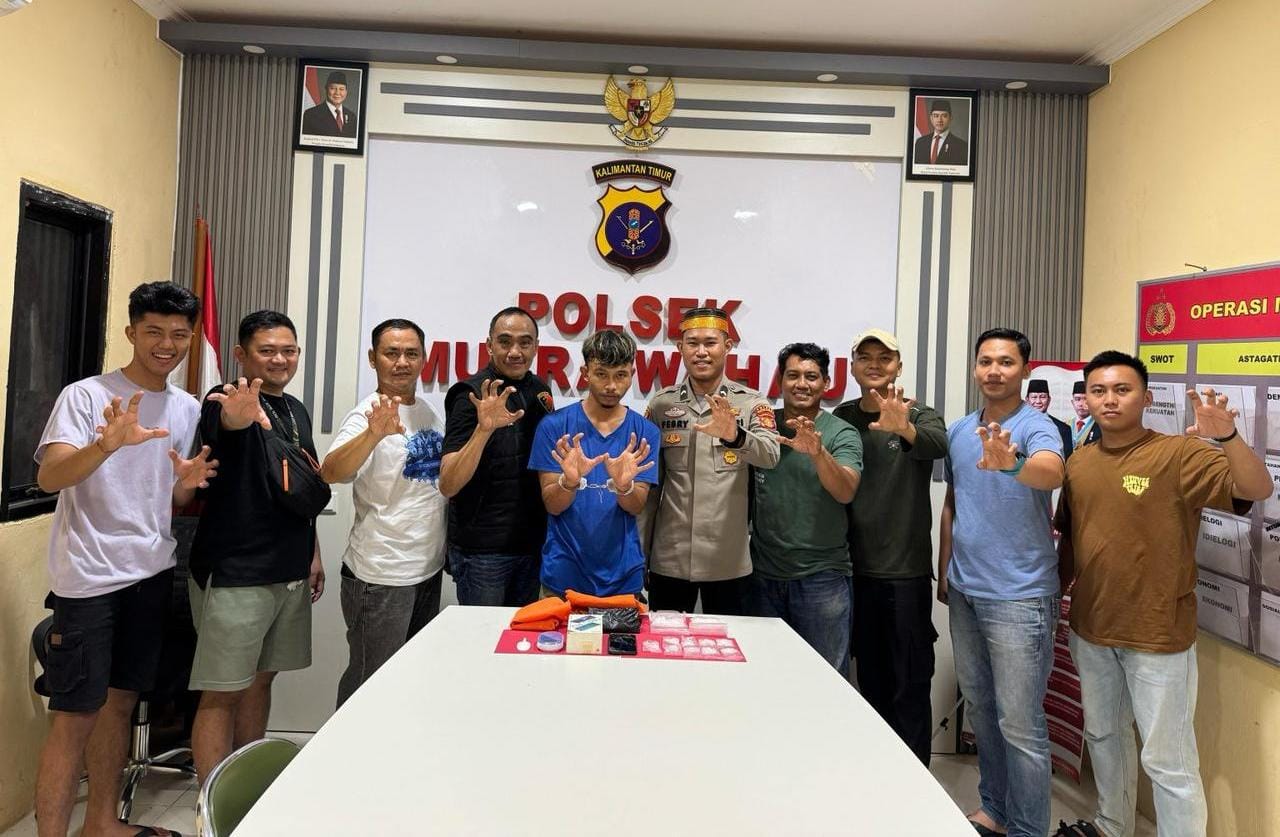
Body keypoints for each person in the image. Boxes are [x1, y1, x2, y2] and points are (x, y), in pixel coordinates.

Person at [1057, 352, 1271, 837]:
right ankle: (1111, 825)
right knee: (1104, 737)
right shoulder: (1079, 461)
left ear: (1147, 397)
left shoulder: (1179, 454)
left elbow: (1256, 488)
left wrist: (1228, 438)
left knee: (1167, 761)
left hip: (1157, 636)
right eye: (1098, 391)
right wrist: (1057, 601)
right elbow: (1071, 538)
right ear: (1086, 398)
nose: (1109, 400)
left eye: (1122, 389)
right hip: (1091, 629)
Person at [33, 282, 213, 837]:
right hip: (89, 578)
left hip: (151, 572)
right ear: (132, 332)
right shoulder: (87, 396)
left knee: (119, 703)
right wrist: (105, 445)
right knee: (75, 717)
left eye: (179, 334)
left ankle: (102, 824)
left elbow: (165, 497)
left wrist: (185, 486)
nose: (166, 345)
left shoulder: (186, 407)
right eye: (154, 332)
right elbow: (50, 477)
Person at [938, 327, 1065, 837]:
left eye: (1006, 362)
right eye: (986, 361)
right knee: (983, 710)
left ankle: (1029, 829)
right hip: (966, 590)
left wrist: (1012, 465)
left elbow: (1051, 472)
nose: (994, 370)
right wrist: (946, 569)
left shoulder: (1036, 426)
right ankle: (995, 808)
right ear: (975, 368)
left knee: (1020, 722)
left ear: (1024, 369)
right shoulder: (959, 429)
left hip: (1021, 597)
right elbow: (954, 503)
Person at [188, 310, 325, 782]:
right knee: (222, 692)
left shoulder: (296, 409)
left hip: (289, 569)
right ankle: (212, 802)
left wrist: (313, 553)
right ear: (241, 354)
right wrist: (237, 416)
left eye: (288, 350)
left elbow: (302, 487)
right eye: (267, 351)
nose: (279, 359)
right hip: (236, 573)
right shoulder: (224, 399)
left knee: (261, 682)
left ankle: (245, 788)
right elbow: (225, 423)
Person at [834, 328, 948, 764]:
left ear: (898, 366)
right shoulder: (842, 417)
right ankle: (880, 773)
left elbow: (938, 446)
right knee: (871, 683)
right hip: (853, 571)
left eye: (885, 357)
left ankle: (917, 779)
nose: (875, 365)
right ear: (853, 367)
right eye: (865, 357)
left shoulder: (919, 413)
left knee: (910, 684)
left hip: (905, 574)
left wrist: (906, 428)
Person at [321, 318, 446, 708]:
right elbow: (332, 471)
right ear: (373, 359)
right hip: (380, 575)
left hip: (426, 569)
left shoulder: (428, 412)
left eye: (411, 353)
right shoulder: (366, 415)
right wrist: (373, 433)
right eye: (391, 353)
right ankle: (346, 747)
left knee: (409, 680)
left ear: (423, 359)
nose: (402, 362)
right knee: (369, 683)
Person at [643, 307, 780, 615]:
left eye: (710, 343)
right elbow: (650, 489)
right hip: (671, 558)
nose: (701, 352)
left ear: (727, 346)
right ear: (680, 348)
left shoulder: (750, 403)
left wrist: (736, 436)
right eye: (692, 343)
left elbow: (771, 455)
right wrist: (640, 553)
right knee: (666, 642)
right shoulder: (662, 404)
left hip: (727, 561)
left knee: (730, 643)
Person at [747, 343, 861, 674]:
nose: (801, 384)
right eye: (793, 375)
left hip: (822, 579)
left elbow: (845, 491)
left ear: (826, 383)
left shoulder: (841, 432)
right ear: (780, 380)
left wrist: (818, 453)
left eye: (811, 376)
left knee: (826, 682)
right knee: (766, 677)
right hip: (763, 576)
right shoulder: (762, 426)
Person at [528, 330, 660, 598]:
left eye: (620, 375)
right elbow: (553, 505)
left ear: (632, 374)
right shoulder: (554, 427)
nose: (611, 386)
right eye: (601, 374)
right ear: (585, 372)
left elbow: (636, 506)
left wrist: (624, 487)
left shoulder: (645, 433)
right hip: (563, 575)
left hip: (623, 577)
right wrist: (569, 482)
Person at [439, 307, 553, 606]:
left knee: (523, 635)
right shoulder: (469, 395)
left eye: (524, 342)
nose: (515, 351)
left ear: (536, 347)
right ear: (489, 345)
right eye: (505, 342)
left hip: (532, 547)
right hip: (483, 554)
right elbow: (448, 484)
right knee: (482, 636)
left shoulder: (540, 391)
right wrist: (484, 430)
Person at [1026, 378, 1074, 460]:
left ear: (1049, 400)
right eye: (1034, 397)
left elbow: (1068, 462)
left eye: (1042, 397)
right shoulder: (1017, 425)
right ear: (1027, 400)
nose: (1038, 401)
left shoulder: (1063, 429)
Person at [301, 70, 358, 138]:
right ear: (326, 89)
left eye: (341, 89)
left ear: (346, 92)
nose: (337, 93)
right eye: (333, 88)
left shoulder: (352, 117)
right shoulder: (310, 115)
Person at [913, 98, 969, 165]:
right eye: (936, 116)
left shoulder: (961, 146)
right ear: (931, 118)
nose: (939, 120)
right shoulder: (920, 143)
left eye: (944, 116)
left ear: (950, 118)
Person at [1070, 380, 1101, 448]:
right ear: (1072, 402)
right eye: (1077, 399)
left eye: (1085, 399)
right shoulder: (1066, 425)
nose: (1081, 404)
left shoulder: (1100, 425)